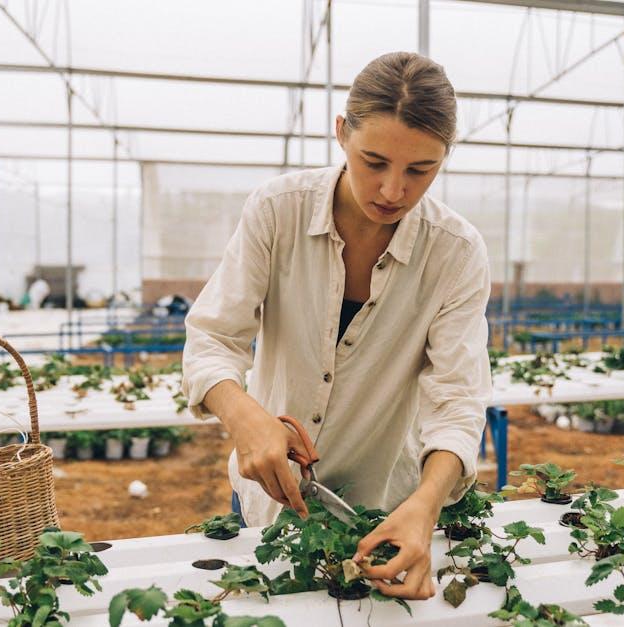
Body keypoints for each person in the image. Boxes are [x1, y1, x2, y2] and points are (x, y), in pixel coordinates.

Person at [180, 51, 490, 601]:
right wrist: (244, 415)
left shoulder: (456, 253)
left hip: (388, 509)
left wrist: (425, 505)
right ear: (341, 132)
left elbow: (458, 401)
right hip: (269, 500)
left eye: (421, 170)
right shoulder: (279, 212)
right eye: (375, 161)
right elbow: (212, 337)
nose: (394, 191)